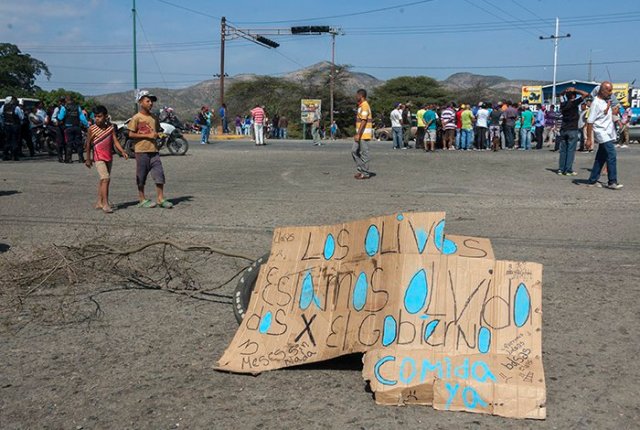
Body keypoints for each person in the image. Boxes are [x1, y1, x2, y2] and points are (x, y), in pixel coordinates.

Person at [127, 90, 174, 208]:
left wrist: (160, 134)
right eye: (148, 101)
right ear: (140, 102)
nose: (151, 103)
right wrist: (147, 136)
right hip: (141, 151)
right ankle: (142, 199)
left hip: (154, 151)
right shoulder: (136, 118)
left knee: (159, 174)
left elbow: (157, 131)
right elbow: (131, 134)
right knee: (141, 175)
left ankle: (160, 199)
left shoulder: (154, 117)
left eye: (151, 101)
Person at [84, 105, 129, 213]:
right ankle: (105, 204)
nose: (97, 119)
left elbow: (115, 141)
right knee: (105, 178)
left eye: (99, 116)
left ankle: (99, 202)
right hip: (98, 157)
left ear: (105, 116)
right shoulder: (92, 129)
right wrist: (88, 159)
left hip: (108, 157)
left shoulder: (110, 128)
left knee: (103, 180)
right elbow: (88, 144)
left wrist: (122, 151)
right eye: (95, 117)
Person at [586, 82, 623, 189]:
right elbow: (590, 121)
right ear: (602, 91)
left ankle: (592, 180)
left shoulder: (605, 101)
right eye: (609, 90)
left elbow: (604, 114)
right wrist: (589, 139)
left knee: (600, 158)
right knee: (611, 155)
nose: (611, 93)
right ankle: (612, 181)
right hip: (601, 132)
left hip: (608, 132)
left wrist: (611, 109)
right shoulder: (596, 103)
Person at [557, 86, 589, 175]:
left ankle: (561, 168)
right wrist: (575, 90)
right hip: (572, 129)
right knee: (571, 150)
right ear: (574, 96)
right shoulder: (574, 103)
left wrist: (565, 91)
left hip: (563, 129)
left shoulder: (563, 104)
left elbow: (560, 95)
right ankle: (568, 169)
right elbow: (586, 94)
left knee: (563, 150)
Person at [58, 95, 89, 163]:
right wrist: (87, 125)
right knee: (79, 143)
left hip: (68, 128)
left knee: (69, 143)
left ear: (66, 100)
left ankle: (69, 159)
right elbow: (82, 118)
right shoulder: (78, 107)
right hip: (77, 127)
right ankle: (81, 159)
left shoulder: (64, 107)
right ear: (72, 100)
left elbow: (60, 117)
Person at [353, 89, 373, 179]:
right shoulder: (360, 106)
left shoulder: (365, 106)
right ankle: (360, 169)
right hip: (360, 134)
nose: (355, 97)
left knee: (364, 153)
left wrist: (358, 134)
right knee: (354, 151)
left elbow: (364, 121)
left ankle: (365, 173)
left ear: (361, 96)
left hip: (363, 134)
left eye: (357, 95)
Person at [0, 96, 24, 161]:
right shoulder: (17, 108)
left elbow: (1, 115)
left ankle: (5, 156)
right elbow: (21, 117)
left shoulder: (3, 107)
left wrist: (3, 124)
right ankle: (14, 156)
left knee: (7, 141)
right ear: (11, 101)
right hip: (15, 126)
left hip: (6, 126)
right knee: (15, 141)